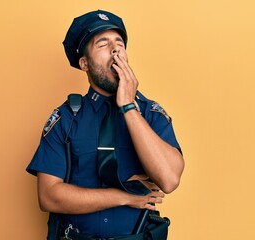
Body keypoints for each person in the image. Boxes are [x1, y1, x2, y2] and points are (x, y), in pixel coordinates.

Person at [26, 9, 184, 240]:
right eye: (103, 44)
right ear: (84, 63)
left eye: (119, 43)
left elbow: (169, 179)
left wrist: (129, 106)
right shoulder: (65, 118)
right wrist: (125, 196)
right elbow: (49, 197)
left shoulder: (151, 114)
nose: (115, 50)